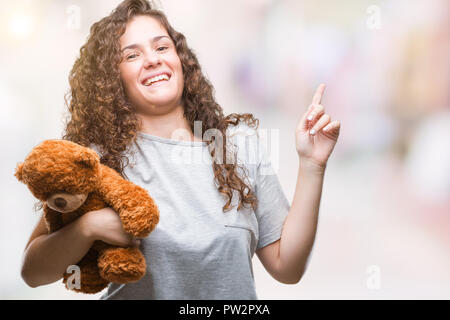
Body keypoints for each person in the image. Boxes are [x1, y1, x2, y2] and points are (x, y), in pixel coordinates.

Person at [20, 0, 340, 299]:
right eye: (132, 55)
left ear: (180, 60)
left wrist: (312, 165)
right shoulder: (97, 160)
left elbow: (287, 266)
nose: (152, 59)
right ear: (111, 79)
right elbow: (32, 273)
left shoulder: (238, 145)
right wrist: (88, 228)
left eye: (162, 47)